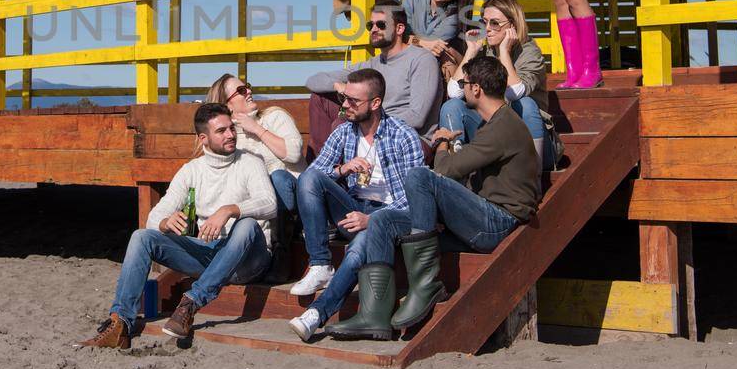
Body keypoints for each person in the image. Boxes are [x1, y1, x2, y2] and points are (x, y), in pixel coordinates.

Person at [331, 55, 540, 340]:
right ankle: (374, 314)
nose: (462, 89)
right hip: (483, 216)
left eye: (464, 83)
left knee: (420, 176)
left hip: (498, 222)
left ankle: (425, 284)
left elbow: (444, 169)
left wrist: (441, 142)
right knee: (382, 221)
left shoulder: (503, 126)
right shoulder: (493, 123)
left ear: (476, 88)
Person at [79, 103, 276, 349]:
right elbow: (156, 215)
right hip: (207, 254)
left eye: (232, 128)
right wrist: (164, 221)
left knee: (246, 225)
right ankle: (121, 323)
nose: (230, 135)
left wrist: (229, 210)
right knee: (142, 236)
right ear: (203, 138)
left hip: (248, 260)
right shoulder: (191, 170)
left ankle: (191, 302)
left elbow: (270, 204)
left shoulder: (249, 162)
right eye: (222, 131)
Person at [286, 69, 426, 342]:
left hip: (389, 215)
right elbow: (312, 176)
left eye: (353, 101)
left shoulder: (403, 136)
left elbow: (413, 198)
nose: (345, 106)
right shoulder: (343, 133)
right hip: (353, 206)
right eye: (344, 99)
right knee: (311, 178)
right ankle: (320, 264)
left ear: (375, 103)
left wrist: (372, 220)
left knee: (359, 248)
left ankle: (316, 314)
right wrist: (342, 169)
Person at [303, 2, 442, 152]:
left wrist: (364, 122)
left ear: (399, 28)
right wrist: (339, 86)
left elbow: (416, 117)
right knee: (321, 99)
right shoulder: (371, 65)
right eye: (371, 25)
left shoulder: (421, 60)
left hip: (408, 140)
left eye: (381, 25)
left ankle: (332, 167)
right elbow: (313, 81)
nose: (374, 30)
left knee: (341, 123)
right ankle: (326, 166)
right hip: (370, 131)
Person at [438, 0, 550, 177]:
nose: (487, 29)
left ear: (512, 26)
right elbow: (454, 92)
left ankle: (533, 178)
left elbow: (515, 93)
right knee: (452, 106)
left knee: (526, 104)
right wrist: (471, 53)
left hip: (531, 142)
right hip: (495, 136)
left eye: (495, 23)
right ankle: (456, 173)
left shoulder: (530, 52)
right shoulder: (484, 51)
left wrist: (504, 52)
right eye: (484, 22)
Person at [204, 73, 303, 214]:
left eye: (247, 87)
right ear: (227, 106)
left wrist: (256, 128)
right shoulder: (229, 138)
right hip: (259, 205)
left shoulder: (275, 116)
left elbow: (293, 155)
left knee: (278, 177)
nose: (249, 91)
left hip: (296, 200)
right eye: (241, 91)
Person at [402, 0, 478, 78]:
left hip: (432, 68)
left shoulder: (455, 16)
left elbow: (433, 47)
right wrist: (422, 42)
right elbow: (400, 36)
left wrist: (411, 39)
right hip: (404, 62)